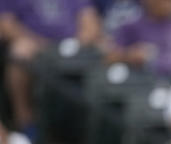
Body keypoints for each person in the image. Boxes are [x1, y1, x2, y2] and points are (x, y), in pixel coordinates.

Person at [0, 0, 101, 132]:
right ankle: (25, 121)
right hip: (34, 46)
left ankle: (90, 130)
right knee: (20, 51)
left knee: (104, 50)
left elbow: (90, 22)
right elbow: (6, 25)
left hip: (72, 48)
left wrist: (77, 43)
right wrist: (40, 43)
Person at [107, 0, 171, 78]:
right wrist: (129, 55)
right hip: (146, 83)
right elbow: (110, 57)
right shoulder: (132, 26)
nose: (167, 3)